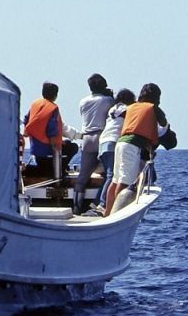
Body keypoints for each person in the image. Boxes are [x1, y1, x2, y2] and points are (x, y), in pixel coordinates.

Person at [104, 83, 170, 217]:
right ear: (156, 97)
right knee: (124, 182)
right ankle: (117, 215)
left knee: (115, 180)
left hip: (120, 143)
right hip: (132, 146)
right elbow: (163, 125)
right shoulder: (153, 108)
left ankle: (107, 212)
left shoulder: (131, 106)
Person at [72, 73, 114, 214]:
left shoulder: (83, 101)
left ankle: (77, 207)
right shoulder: (108, 100)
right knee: (109, 173)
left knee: (83, 176)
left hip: (87, 139)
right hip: (102, 137)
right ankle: (100, 203)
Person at [90, 88, 135, 215]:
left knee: (108, 176)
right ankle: (102, 204)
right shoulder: (124, 109)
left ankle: (97, 202)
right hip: (112, 142)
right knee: (112, 176)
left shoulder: (113, 109)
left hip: (103, 142)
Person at [23, 82, 79, 171]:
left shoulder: (35, 104)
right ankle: (60, 169)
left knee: (67, 142)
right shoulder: (52, 108)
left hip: (35, 148)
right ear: (55, 95)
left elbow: (26, 119)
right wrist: (55, 146)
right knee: (73, 147)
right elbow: (51, 129)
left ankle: (31, 168)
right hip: (47, 150)